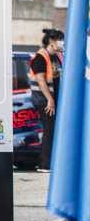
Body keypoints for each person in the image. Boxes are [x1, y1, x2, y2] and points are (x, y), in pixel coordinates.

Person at [29, 28, 65, 172]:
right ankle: (44, 164)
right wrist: (50, 100)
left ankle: (52, 162)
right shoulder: (40, 57)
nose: (62, 42)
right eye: (59, 40)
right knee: (49, 130)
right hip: (43, 100)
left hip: (53, 99)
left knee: (53, 130)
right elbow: (41, 81)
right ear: (51, 41)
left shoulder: (56, 56)